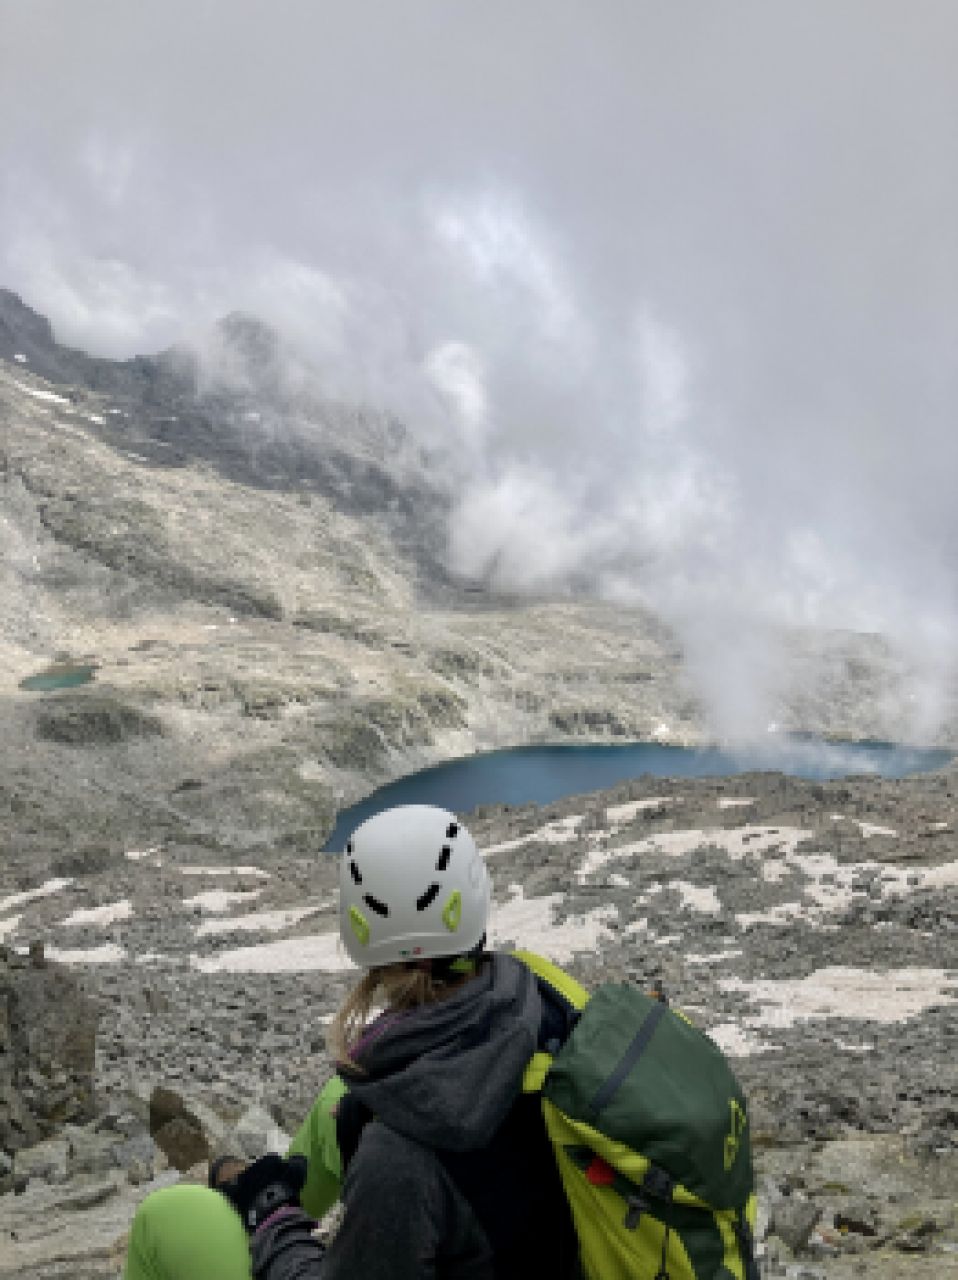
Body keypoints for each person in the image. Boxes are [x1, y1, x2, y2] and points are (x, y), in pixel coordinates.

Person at [124, 804, 580, 1280]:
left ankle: (281, 1200)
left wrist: (274, 1217)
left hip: (403, 1207)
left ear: (358, 927)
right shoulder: (549, 998)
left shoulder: (400, 1155)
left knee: (169, 1217)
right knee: (337, 1105)